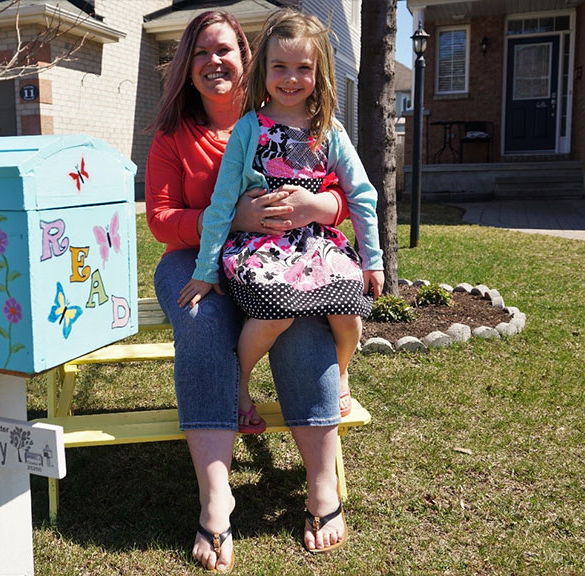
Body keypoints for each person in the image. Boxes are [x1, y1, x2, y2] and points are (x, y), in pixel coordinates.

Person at [145, 9, 354, 571]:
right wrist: (231, 218)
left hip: (278, 255)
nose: (214, 62)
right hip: (193, 261)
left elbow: (336, 190)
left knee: (304, 320)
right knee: (200, 322)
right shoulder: (173, 135)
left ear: (247, 59)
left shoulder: (283, 113)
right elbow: (162, 219)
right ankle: (217, 498)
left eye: (225, 51)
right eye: (201, 53)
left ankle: (321, 489)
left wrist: (324, 206)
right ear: (187, 67)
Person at [178, 9, 384, 437]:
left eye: (303, 68)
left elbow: (362, 195)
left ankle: (342, 372)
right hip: (261, 246)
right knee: (275, 313)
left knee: (349, 313)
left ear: (319, 71)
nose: (291, 78)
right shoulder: (248, 128)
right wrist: (204, 270)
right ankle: (240, 382)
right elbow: (220, 203)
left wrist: (373, 260)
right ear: (263, 71)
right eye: (280, 67)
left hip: (318, 247)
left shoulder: (330, 130)